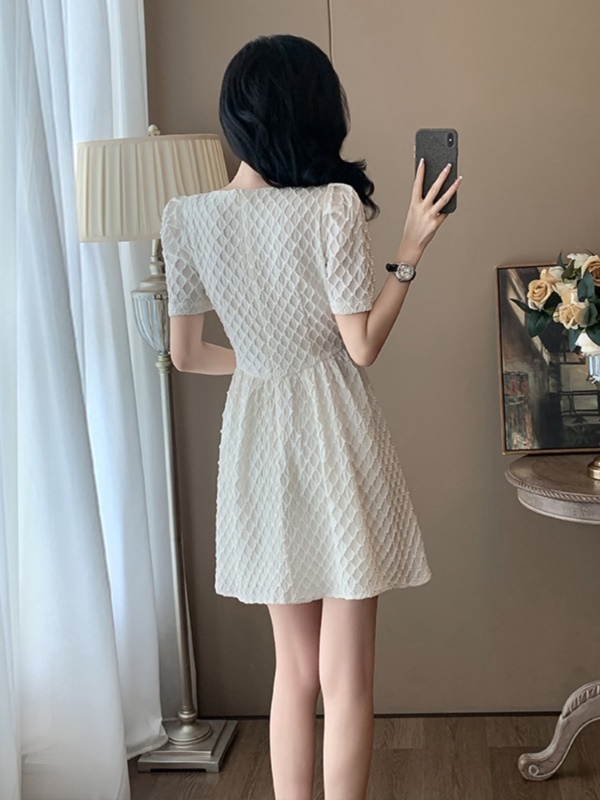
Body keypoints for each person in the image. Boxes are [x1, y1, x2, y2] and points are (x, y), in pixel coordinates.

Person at [161, 33, 462, 800]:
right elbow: (361, 348)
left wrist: (268, 361)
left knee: (291, 670)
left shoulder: (185, 218)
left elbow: (186, 355)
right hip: (332, 435)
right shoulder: (330, 207)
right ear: (314, 114)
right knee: (346, 676)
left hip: (256, 441)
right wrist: (410, 251)